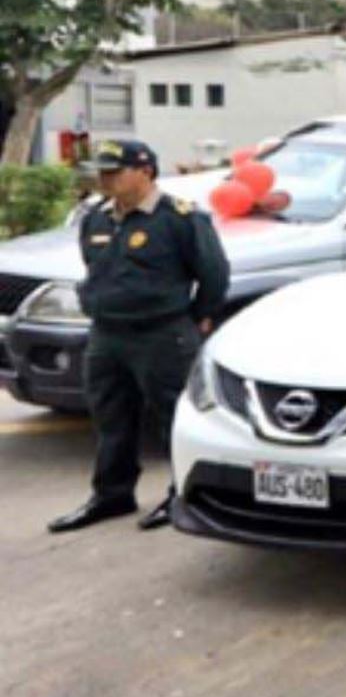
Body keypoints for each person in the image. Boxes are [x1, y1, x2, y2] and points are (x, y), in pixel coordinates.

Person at [48, 140, 229, 534]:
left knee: (173, 417)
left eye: (115, 171)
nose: (105, 179)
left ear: (145, 172)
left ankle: (180, 493)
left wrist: (198, 317)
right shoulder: (96, 219)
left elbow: (214, 275)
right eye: (103, 171)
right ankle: (112, 494)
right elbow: (96, 268)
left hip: (161, 333)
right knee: (111, 416)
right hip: (108, 334)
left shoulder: (179, 219)